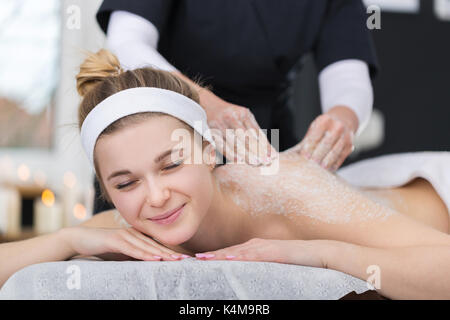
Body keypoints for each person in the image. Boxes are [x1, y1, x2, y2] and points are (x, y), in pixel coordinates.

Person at [1, 51, 449, 299]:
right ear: (106, 190)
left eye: (171, 163)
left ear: (210, 151)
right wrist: (67, 240)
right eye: (126, 183)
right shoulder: (132, 225)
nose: (155, 196)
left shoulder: (284, 188)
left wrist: (322, 254)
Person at [92, 0, 379, 213]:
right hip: (162, 135)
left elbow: (348, 78)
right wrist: (206, 106)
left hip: (266, 144)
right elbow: (125, 45)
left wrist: (343, 120)